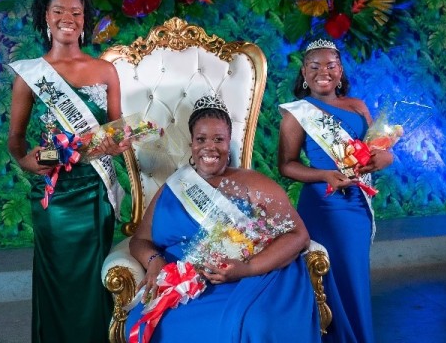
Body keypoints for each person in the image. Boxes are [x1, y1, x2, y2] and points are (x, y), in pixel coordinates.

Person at [125, 94, 322, 343]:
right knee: (141, 321)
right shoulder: (174, 186)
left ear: (229, 143)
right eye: (201, 139)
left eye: (219, 139)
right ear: (192, 144)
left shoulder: (253, 183)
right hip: (184, 284)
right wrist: (154, 262)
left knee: (251, 323)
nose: (210, 147)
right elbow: (140, 240)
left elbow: (298, 235)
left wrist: (246, 268)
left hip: (245, 279)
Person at [8, 0, 130, 343]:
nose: (67, 18)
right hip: (54, 193)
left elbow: (116, 128)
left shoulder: (105, 70)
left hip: (95, 193)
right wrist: (27, 161)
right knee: (57, 279)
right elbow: (15, 140)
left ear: (84, 20)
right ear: (45, 17)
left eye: (75, 13)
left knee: (96, 281)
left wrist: (118, 142)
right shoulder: (30, 75)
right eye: (58, 10)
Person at [277, 38, 394, 343]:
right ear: (304, 71)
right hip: (322, 206)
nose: (323, 72)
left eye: (331, 65)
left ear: (340, 71)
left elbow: (379, 149)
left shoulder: (357, 106)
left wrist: (383, 158)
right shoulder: (296, 113)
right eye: (315, 66)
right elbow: (286, 165)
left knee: (354, 276)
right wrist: (324, 175)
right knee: (327, 278)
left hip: (356, 203)